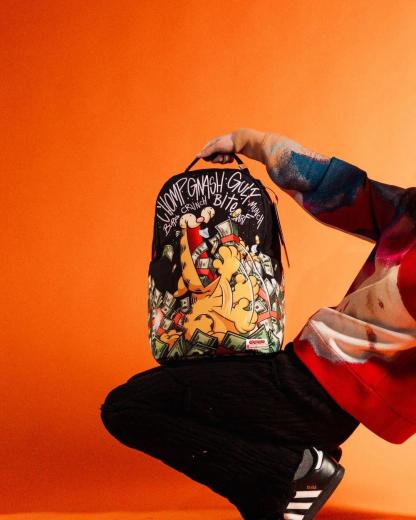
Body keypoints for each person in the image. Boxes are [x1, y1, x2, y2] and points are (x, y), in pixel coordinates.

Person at [100, 128, 416, 520]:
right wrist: (248, 141)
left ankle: (290, 469)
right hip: (305, 379)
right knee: (188, 387)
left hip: (310, 393)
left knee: (129, 407)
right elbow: (334, 184)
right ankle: (290, 469)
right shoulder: (408, 212)